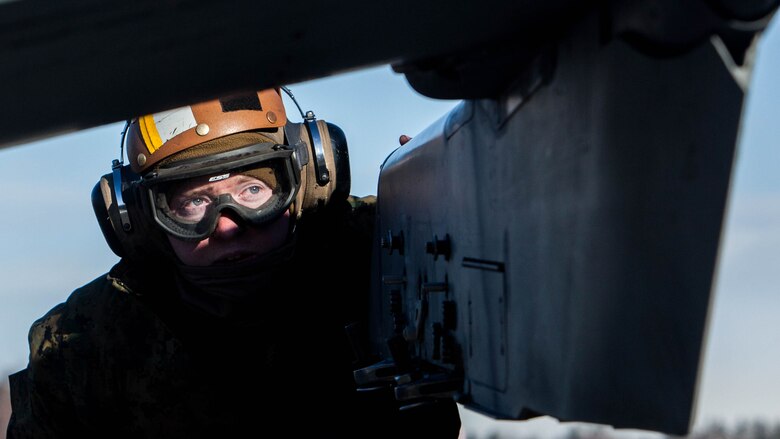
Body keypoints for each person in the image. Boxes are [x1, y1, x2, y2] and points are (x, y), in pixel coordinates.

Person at [6, 88, 462, 438]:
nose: (227, 226)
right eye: (192, 204)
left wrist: (457, 195)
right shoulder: (81, 345)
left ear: (306, 182)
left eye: (252, 191)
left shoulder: (391, 246)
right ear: (138, 217)